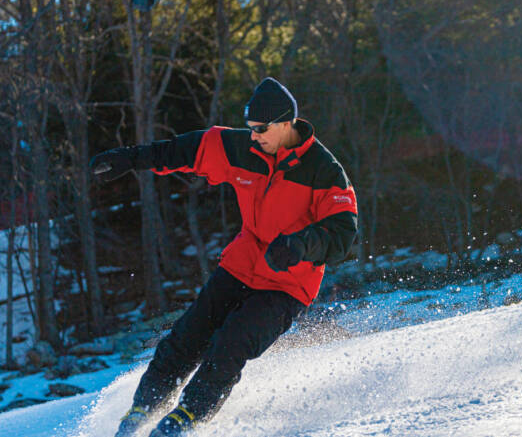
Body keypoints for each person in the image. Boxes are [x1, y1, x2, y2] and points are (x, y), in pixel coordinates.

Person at [90, 77, 358, 437]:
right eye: (250, 128)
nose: (254, 136)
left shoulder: (325, 171)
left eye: (261, 129)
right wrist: (130, 158)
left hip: (287, 283)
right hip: (241, 265)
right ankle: (141, 410)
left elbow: (343, 235)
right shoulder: (241, 148)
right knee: (187, 336)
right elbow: (181, 151)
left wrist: (299, 245)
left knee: (230, 344)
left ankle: (184, 419)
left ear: (285, 123)